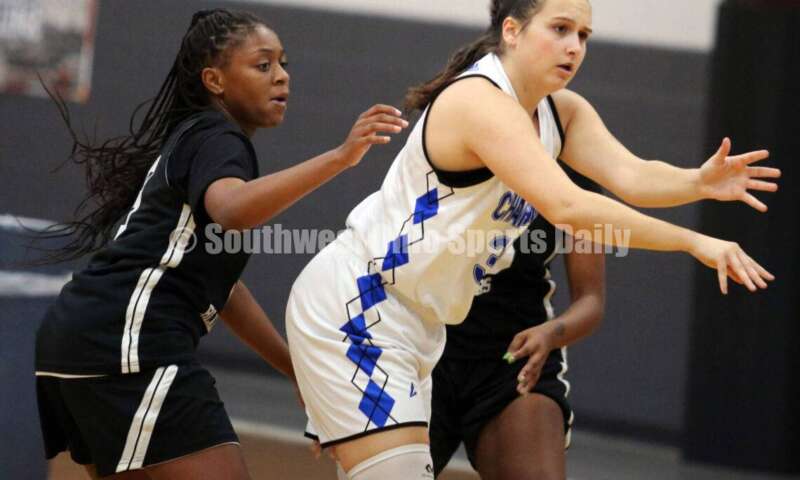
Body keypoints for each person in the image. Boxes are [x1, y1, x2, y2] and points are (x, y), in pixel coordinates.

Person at [286, 0, 780, 478]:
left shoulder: (560, 113)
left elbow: (633, 176)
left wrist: (697, 181)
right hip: (362, 305)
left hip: (421, 324)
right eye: (560, 29)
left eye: (584, 35)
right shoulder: (477, 99)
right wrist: (695, 242)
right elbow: (570, 206)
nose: (574, 47)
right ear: (512, 31)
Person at [34, 8, 406, 480]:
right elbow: (233, 210)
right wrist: (339, 157)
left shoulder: (197, 140)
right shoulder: (218, 137)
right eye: (263, 64)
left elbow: (222, 288)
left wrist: (295, 367)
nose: (281, 76)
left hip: (80, 338)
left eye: (284, 63)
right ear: (214, 80)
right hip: (128, 344)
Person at [429, 165, 605, 480]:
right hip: (422, 347)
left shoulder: (574, 170)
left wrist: (552, 333)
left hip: (514, 358)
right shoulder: (447, 141)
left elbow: (591, 299)